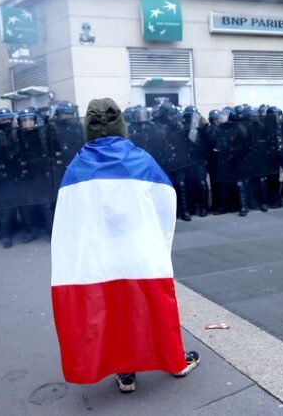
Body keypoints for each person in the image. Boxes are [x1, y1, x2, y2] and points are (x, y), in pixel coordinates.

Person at [51, 98, 199, 394]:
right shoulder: (140, 159)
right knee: (153, 304)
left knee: (114, 309)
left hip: (102, 254)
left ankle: (125, 372)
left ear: (88, 128)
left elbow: (70, 217)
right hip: (138, 248)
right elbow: (164, 200)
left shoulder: (78, 166)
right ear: (121, 124)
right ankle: (173, 360)